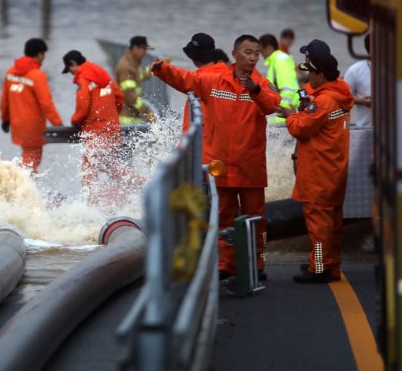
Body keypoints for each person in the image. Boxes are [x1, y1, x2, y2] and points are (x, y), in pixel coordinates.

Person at [151, 35, 281, 280]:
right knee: (223, 217)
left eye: (256, 53)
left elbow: (272, 105)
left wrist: (254, 90)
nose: (252, 58)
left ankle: (259, 263)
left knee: (257, 219)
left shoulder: (262, 84)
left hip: (250, 164)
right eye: (248, 52)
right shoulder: (213, 81)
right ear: (235, 54)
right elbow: (185, 79)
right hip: (221, 165)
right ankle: (227, 265)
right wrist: (162, 69)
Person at [275, 39, 353, 283]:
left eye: (309, 69)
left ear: (320, 73)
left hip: (319, 172)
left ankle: (318, 268)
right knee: (333, 225)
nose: (306, 73)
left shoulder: (323, 102)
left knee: (318, 228)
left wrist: (290, 115)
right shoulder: (338, 91)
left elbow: (300, 129)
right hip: (333, 170)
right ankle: (331, 266)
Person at [61, 50, 128, 191]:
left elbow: (83, 104)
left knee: (88, 171)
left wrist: (75, 121)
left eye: (69, 70)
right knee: (111, 167)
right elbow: (119, 96)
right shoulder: (101, 73)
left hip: (97, 131)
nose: (71, 74)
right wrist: (112, 118)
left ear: (73, 64)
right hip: (111, 129)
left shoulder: (84, 77)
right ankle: (143, 186)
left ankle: (90, 207)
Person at [0, 38, 63, 173]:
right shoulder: (37, 76)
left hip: (17, 124)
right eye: (44, 54)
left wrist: (5, 119)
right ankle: (23, 189)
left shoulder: (10, 73)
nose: (44, 57)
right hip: (33, 126)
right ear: (39, 54)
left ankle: (24, 188)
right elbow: (46, 103)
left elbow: (5, 100)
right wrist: (58, 124)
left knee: (27, 157)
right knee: (32, 161)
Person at [179, 34, 229, 167]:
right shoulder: (231, 76)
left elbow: (189, 127)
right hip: (233, 157)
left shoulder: (197, 82)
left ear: (194, 59)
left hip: (204, 159)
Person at [115, 35, 155, 125]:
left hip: (132, 117)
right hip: (127, 120)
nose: (145, 53)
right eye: (143, 49)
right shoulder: (126, 67)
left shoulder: (133, 64)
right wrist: (147, 111)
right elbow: (130, 95)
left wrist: (153, 69)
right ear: (134, 48)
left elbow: (139, 75)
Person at [260, 33, 299, 126]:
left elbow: (288, 90)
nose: (261, 55)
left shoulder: (280, 61)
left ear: (268, 47)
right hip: (284, 116)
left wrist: (279, 114)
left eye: (261, 51)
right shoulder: (276, 61)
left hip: (283, 118)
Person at [343, 34, 372, 127]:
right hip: (365, 128)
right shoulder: (355, 70)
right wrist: (363, 101)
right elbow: (344, 97)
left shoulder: (396, 69)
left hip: (394, 131)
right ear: (369, 48)